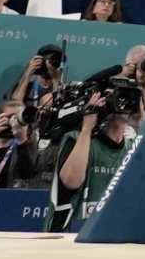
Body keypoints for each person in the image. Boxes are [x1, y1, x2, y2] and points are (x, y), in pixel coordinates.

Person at [49, 82, 138, 231]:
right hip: (70, 235)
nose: (122, 102)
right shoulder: (75, 139)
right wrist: (86, 128)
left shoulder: (131, 147)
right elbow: (71, 181)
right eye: (114, 96)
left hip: (112, 233)